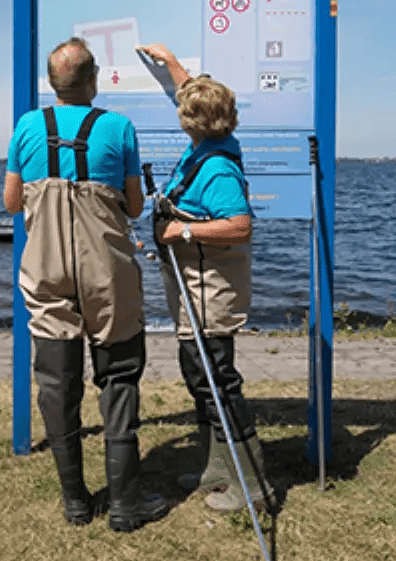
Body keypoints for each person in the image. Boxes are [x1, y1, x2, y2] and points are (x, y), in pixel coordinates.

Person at [4, 37, 166, 532]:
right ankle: (123, 504)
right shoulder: (118, 127)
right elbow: (135, 206)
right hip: (107, 270)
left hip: (47, 266)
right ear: (93, 79)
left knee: (57, 383)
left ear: (53, 84)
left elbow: (12, 201)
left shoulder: (28, 127)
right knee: (117, 377)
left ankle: (75, 502)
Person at [135, 43, 271, 513]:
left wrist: (182, 229)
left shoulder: (216, 167)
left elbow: (240, 225)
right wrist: (170, 62)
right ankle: (219, 464)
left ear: (192, 122)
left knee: (216, 380)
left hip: (210, 290)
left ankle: (251, 482)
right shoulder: (213, 143)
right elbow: (193, 93)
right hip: (193, 285)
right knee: (199, 375)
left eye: (184, 109)